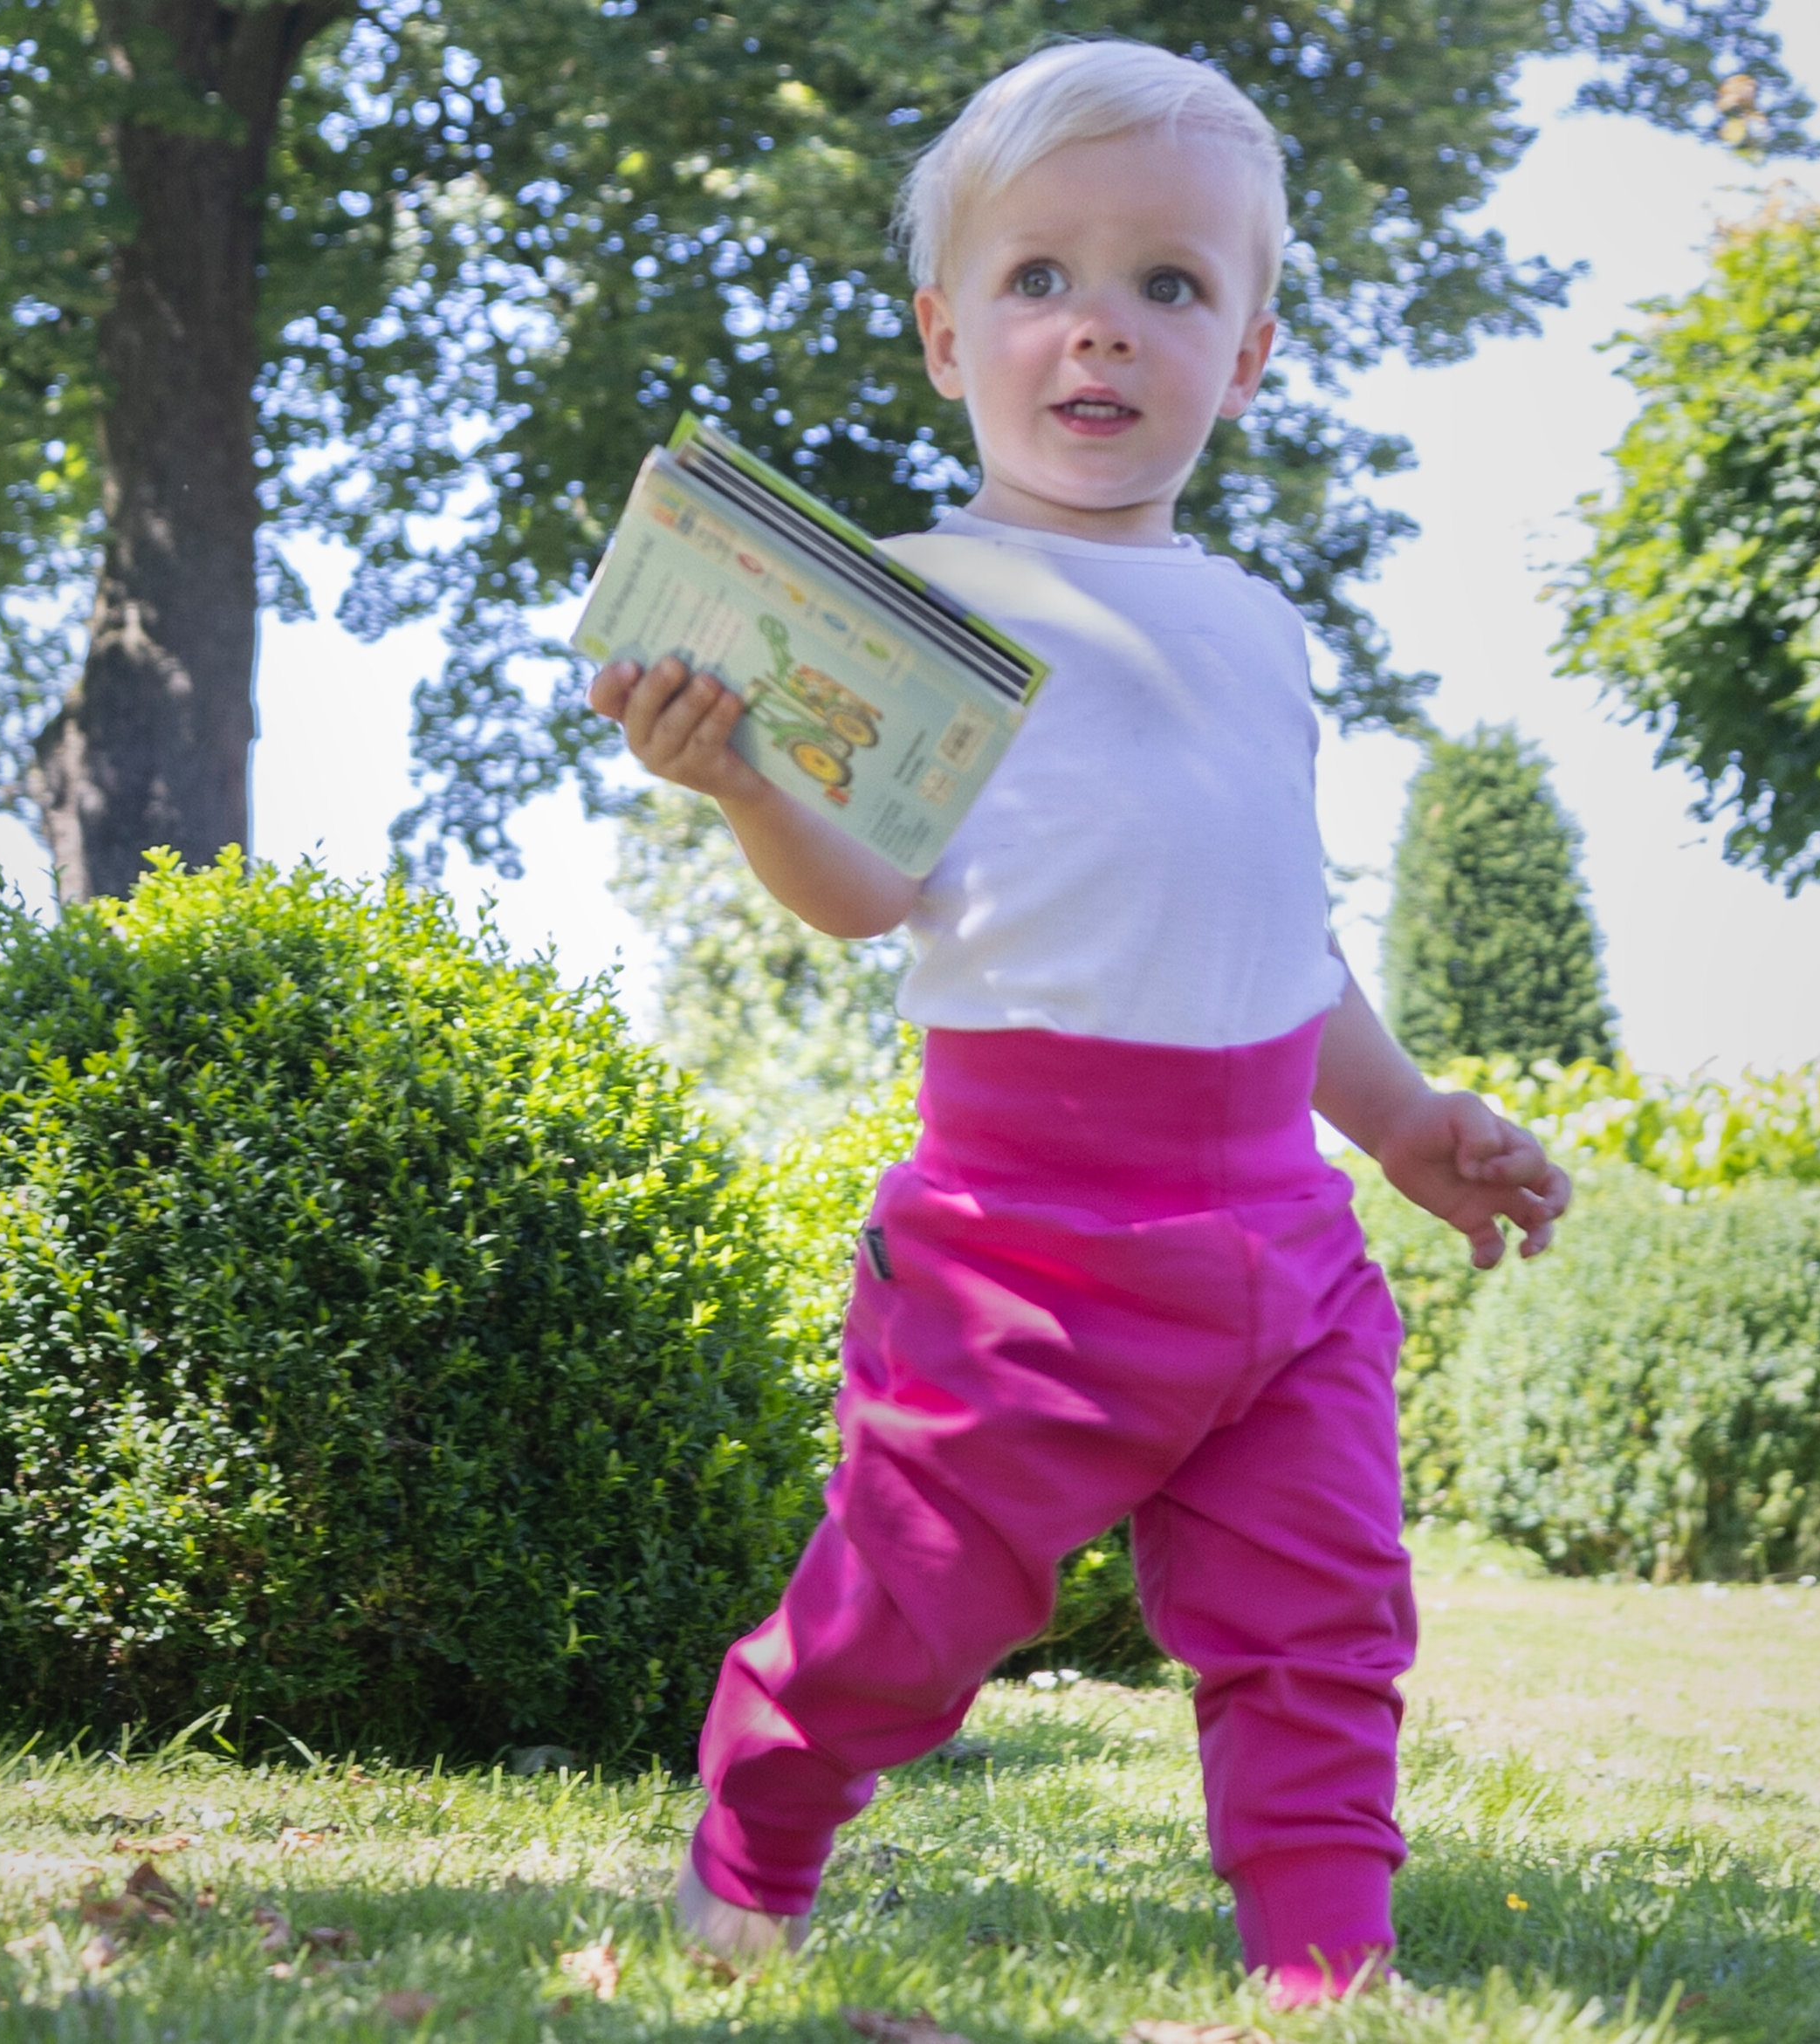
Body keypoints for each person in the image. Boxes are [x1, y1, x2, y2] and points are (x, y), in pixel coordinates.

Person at [586, 38, 1570, 2006]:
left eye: (1167, 286)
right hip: (1018, 1245)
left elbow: (1277, 936)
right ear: (948, 338)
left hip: (1281, 1241)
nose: (1097, 331)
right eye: (1039, 281)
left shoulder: (1261, 625)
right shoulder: (911, 602)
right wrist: (757, 785)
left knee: (1322, 1616)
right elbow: (872, 898)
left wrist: (1398, 1120)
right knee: (908, 1614)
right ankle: (752, 1841)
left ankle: (1325, 1960)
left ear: (1251, 353)